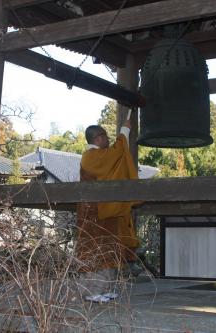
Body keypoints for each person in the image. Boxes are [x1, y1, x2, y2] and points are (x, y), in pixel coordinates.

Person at [75, 118, 139, 302]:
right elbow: (116, 154)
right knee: (94, 251)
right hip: (93, 214)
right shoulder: (90, 156)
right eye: (105, 136)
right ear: (97, 138)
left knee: (109, 250)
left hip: (104, 212)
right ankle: (91, 292)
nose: (108, 139)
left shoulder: (99, 156)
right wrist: (124, 132)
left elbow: (113, 159)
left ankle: (105, 289)